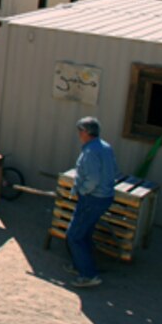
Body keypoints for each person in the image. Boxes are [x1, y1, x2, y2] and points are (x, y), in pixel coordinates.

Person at [65, 116, 119, 288]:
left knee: (74, 236)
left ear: (86, 132)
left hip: (92, 198)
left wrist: (82, 191)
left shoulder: (89, 152)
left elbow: (93, 179)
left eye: (80, 131)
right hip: (105, 197)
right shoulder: (105, 147)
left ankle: (89, 275)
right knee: (86, 232)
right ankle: (81, 265)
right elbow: (114, 170)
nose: (79, 134)